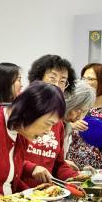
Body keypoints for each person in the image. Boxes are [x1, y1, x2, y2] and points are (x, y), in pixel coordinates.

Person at [0, 81, 66, 196]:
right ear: (32, 112)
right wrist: (1, 200)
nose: (49, 130)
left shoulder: (21, 133)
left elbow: (8, 170)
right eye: (48, 123)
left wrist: (32, 194)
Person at [21, 55, 79, 186]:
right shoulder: (21, 114)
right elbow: (9, 160)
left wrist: (76, 178)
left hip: (45, 195)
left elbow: (59, 164)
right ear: (38, 78)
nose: (57, 86)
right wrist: (32, 168)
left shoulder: (58, 122)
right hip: (18, 196)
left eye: (63, 81)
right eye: (52, 78)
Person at [62, 80, 96, 154]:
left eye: (84, 111)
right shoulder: (48, 124)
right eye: (78, 110)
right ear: (68, 102)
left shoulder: (67, 126)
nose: (79, 117)